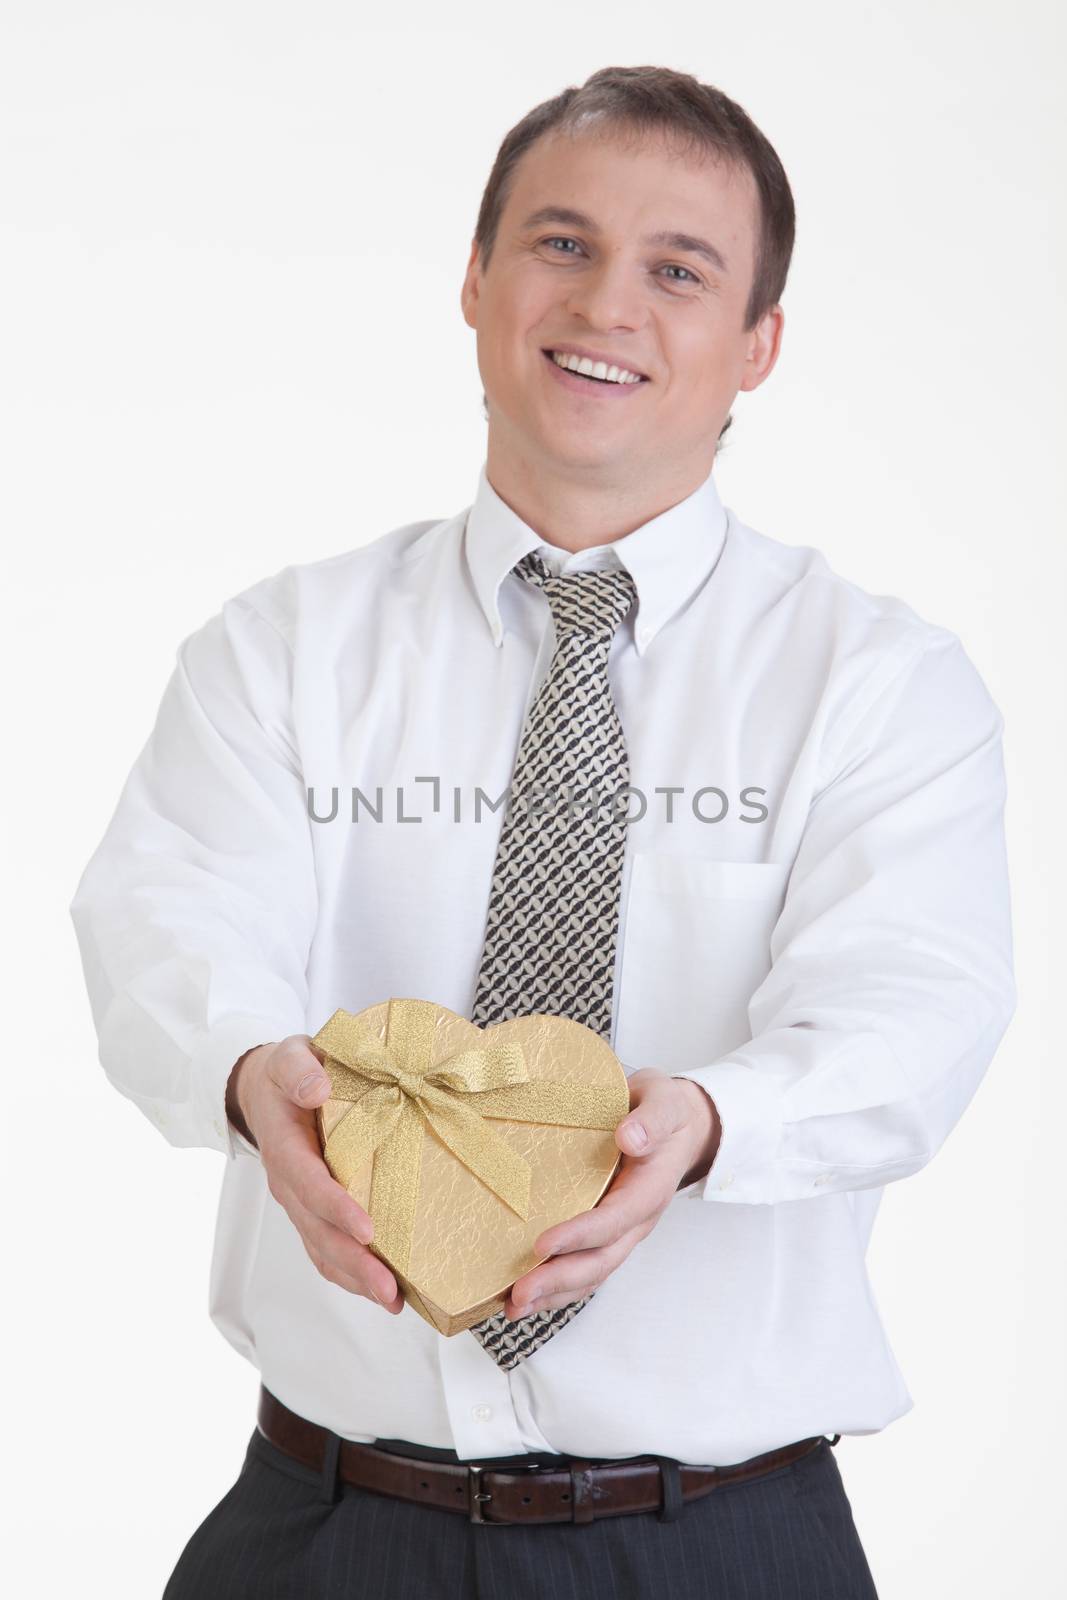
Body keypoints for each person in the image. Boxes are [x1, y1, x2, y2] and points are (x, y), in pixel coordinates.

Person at [69, 64, 1015, 1600]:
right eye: (561, 244)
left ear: (758, 344)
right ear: (476, 279)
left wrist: (704, 1125)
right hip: (328, 1530)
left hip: (725, 1543)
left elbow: (913, 1009)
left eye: (679, 270)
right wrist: (254, 1079)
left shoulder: (878, 684)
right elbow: (165, 921)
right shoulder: (282, 649)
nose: (608, 305)